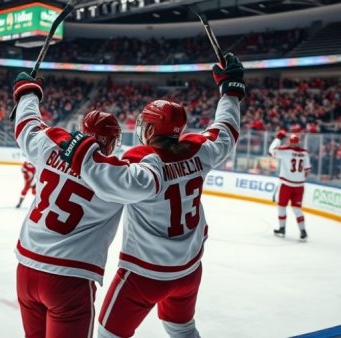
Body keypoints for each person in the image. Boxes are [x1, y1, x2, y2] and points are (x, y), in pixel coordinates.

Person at [58, 52, 244, 338]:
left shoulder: (143, 159)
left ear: (151, 127)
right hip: (189, 269)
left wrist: (83, 154)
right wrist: (230, 91)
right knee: (182, 328)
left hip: (144, 274)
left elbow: (109, 182)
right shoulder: (200, 150)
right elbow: (226, 130)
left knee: (109, 334)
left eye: (145, 122)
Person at [12, 72, 123, 338]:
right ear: (110, 141)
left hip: (26, 268)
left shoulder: (51, 143)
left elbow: (26, 126)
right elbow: (154, 180)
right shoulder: (117, 173)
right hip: (70, 277)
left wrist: (28, 92)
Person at [269, 131, 312, 241]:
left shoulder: (285, 151)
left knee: (281, 207)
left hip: (286, 184)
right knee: (297, 209)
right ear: (298, 142)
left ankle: (282, 228)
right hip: (299, 186)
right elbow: (307, 170)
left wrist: (278, 138)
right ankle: (303, 231)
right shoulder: (305, 153)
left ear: (289, 141)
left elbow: (271, 150)